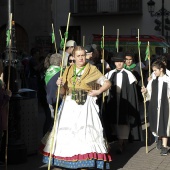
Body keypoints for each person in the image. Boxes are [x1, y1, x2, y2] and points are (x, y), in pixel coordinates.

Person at [41, 46, 112, 170]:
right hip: (69, 107)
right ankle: (70, 162)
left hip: (86, 107)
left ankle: (85, 164)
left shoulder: (92, 69)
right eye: (78, 56)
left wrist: (98, 91)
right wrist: (61, 85)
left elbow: (107, 83)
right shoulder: (67, 70)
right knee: (70, 136)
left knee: (85, 135)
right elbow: (62, 92)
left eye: (83, 55)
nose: (81, 58)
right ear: (73, 57)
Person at [104, 52, 140, 153]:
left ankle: (121, 143)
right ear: (114, 63)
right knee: (113, 122)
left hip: (124, 101)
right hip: (113, 101)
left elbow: (132, 92)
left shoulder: (128, 74)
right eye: (117, 62)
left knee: (123, 123)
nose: (119, 64)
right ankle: (118, 141)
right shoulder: (110, 74)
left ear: (123, 62)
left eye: (121, 62)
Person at [141, 60, 170, 156]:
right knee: (155, 124)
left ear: (161, 69)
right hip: (154, 106)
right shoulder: (153, 81)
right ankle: (159, 139)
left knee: (164, 124)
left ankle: (164, 147)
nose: (154, 72)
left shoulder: (168, 80)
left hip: (165, 106)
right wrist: (145, 91)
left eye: (155, 70)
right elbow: (149, 93)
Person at [44, 53, 62, 125]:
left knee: (50, 120)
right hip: (57, 99)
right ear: (61, 62)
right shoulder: (60, 72)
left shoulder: (48, 71)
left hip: (48, 99)